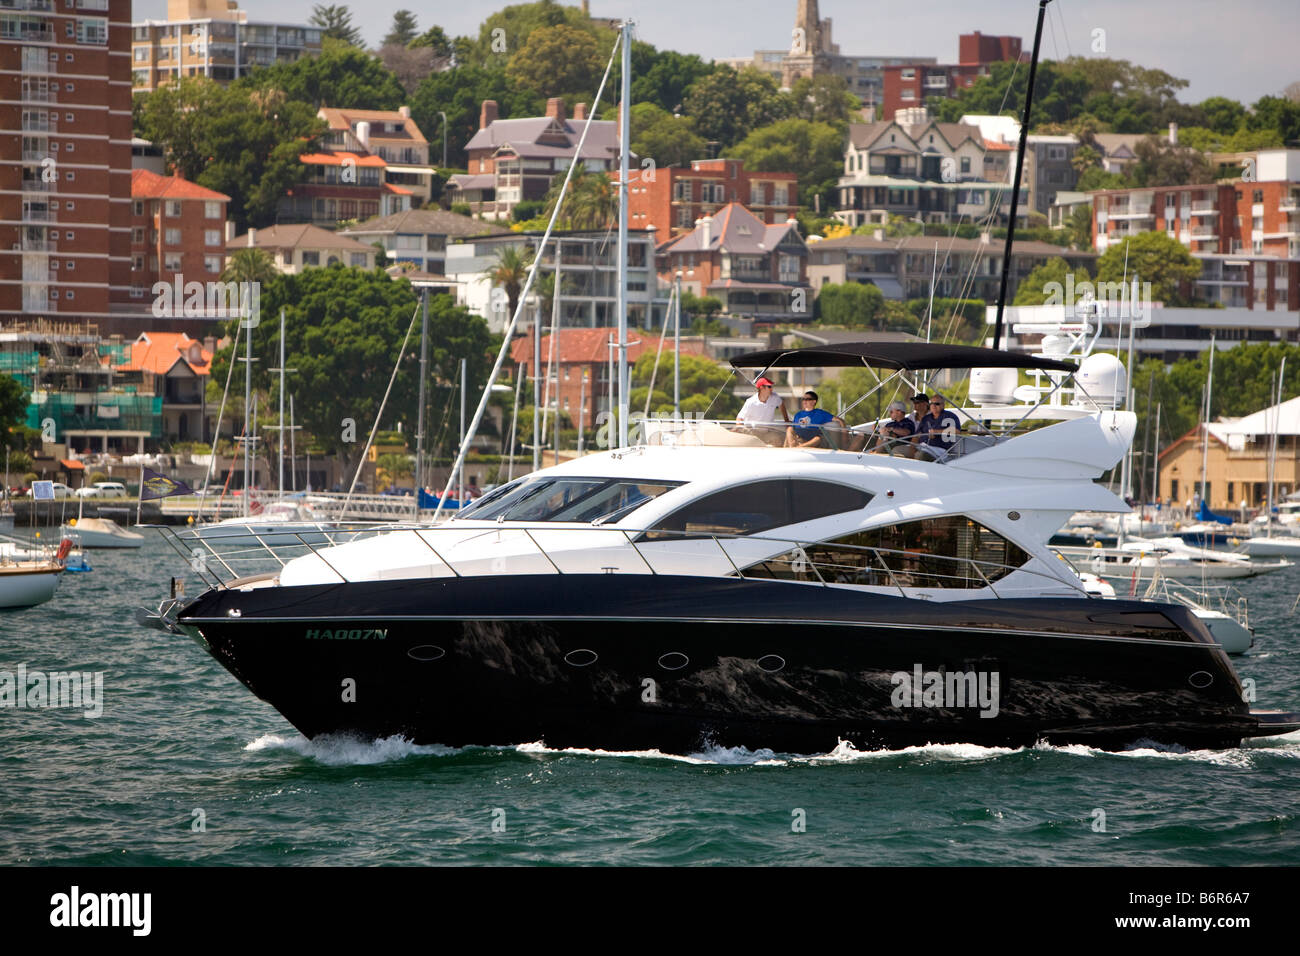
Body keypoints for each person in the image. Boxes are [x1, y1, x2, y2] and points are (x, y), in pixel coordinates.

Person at [737, 376, 788, 444]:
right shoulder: (751, 402)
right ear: (761, 387)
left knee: (778, 441)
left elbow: (781, 405)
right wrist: (740, 430)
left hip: (767, 431)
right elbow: (739, 418)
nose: (771, 389)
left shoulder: (775, 397)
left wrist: (786, 421)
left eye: (771, 386)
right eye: (769, 387)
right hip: (753, 431)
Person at [916, 395, 962, 461]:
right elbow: (916, 436)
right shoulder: (926, 418)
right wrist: (912, 448)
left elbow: (957, 431)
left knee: (920, 455)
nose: (933, 406)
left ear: (943, 405)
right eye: (931, 403)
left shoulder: (950, 416)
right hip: (922, 447)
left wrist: (936, 432)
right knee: (899, 450)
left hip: (939, 450)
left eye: (937, 404)